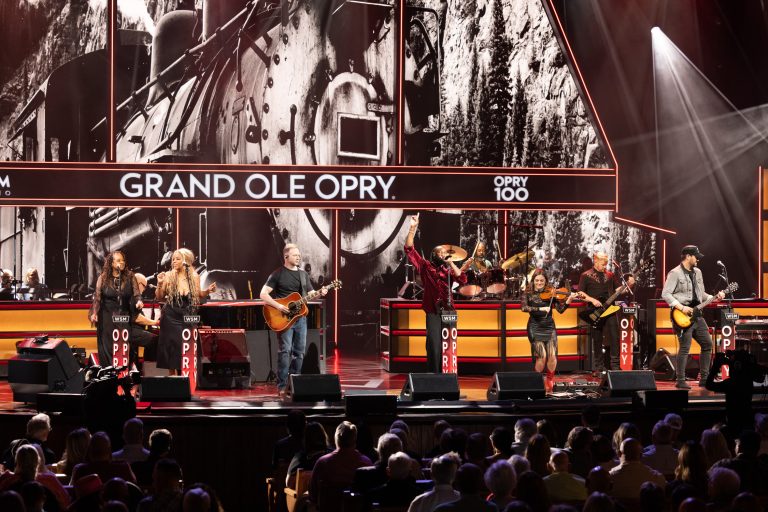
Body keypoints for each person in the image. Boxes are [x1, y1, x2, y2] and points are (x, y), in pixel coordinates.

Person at [259, 243, 328, 394]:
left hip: (300, 319)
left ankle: (294, 383)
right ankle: (282, 386)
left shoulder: (303, 275)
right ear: (286, 256)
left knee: (299, 353)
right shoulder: (277, 274)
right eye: (295, 255)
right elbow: (263, 294)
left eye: (299, 255)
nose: (299, 257)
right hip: (284, 319)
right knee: (285, 351)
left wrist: (320, 292)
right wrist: (278, 306)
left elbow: (310, 293)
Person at [404, 213, 467, 373]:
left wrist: (451, 262)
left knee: (449, 343)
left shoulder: (447, 270)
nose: (442, 254)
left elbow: (462, 279)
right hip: (432, 309)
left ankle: (448, 374)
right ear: (433, 255)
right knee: (434, 344)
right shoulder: (425, 266)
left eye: (443, 253)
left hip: (449, 309)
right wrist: (412, 228)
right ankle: (433, 375)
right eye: (439, 253)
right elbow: (409, 250)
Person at [661, 245, 724, 388]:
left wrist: (715, 297)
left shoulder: (698, 272)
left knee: (707, 344)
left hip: (697, 315)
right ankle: (681, 381)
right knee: (685, 347)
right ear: (688, 256)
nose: (698, 260)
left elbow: (702, 294)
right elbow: (665, 294)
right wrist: (682, 307)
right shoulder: (675, 273)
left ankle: (705, 379)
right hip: (681, 315)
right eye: (696, 256)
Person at [155, 249, 216, 374]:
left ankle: (185, 378)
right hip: (170, 315)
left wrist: (208, 291)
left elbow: (198, 295)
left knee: (184, 347)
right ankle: (172, 379)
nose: (174, 262)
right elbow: (160, 297)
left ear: (186, 260)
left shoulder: (194, 276)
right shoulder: (169, 276)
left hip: (186, 315)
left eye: (177, 259)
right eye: (173, 259)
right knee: (170, 348)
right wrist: (159, 284)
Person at [521, 269, 577, 391]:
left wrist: (569, 300)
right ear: (533, 281)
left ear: (545, 281)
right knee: (542, 356)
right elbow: (524, 308)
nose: (539, 282)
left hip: (549, 327)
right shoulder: (528, 292)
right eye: (537, 280)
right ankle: (537, 380)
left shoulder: (551, 292)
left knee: (552, 356)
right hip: (535, 327)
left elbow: (561, 310)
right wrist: (540, 309)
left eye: (542, 280)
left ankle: (550, 378)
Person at [578, 252, 634, 374]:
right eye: (603, 263)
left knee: (615, 336)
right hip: (595, 311)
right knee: (597, 338)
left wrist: (628, 285)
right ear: (595, 261)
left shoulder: (610, 275)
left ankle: (615, 366)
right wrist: (592, 300)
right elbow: (580, 293)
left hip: (610, 309)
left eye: (606, 263)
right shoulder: (585, 275)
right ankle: (598, 367)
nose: (605, 266)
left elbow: (619, 290)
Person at [88, 251, 142, 367]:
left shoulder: (130, 276)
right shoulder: (103, 278)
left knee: (123, 346)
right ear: (111, 263)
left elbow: (136, 293)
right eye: (118, 260)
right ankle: (109, 375)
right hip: (107, 317)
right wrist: (94, 313)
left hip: (123, 315)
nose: (121, 263)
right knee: (108, 347)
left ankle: (123, 376)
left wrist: (139, 301)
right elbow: (98, 298)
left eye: (123, 260)